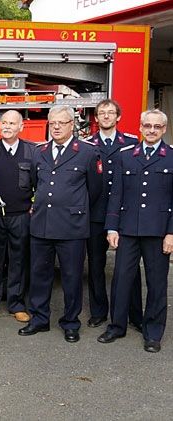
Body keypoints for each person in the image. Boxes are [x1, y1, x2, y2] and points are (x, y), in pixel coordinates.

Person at [18, 105, 102, 343]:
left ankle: (70, 323)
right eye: (52, 122)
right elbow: (36, 182)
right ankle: (39, 319)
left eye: (61, 123)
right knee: (39, 275)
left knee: (72, 277)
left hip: (72, 226)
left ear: (71, 125)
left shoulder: (86, 152)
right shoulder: (39, 151)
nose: (56, 127)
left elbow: (95, 190)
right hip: (42, 224)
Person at [98, 109, 173, 353]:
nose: (151, 130)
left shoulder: (170, 157)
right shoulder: (126, 156)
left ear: (164, 129)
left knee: (157, 284)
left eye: (157, 127)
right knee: (121, 280)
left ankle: (152, 333)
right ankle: (117, 325)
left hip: (158, 232)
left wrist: (171, 233)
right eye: (147, 125)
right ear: (140, 127)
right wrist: (112, 226)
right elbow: (116, 194)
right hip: (128, 229)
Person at [85, 99, 143, 329]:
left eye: (111, 113)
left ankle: (134, 313)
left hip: (125, 213)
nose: (106, 116)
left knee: (130, 267)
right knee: (96, 266)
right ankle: (99, 311)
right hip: (96, 214)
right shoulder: (88, 145)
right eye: (102, 113)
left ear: (118, 117)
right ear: (96, 118)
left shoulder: (130, 142)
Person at [0, 110, 34, 323]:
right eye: (4, 123)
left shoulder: (31, 151)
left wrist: (34, 205)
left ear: (21, 127)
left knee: (18, 260)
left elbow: (40, 181)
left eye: (12, 123)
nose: (7, 127)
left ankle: (16, 304)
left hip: (21, 215)